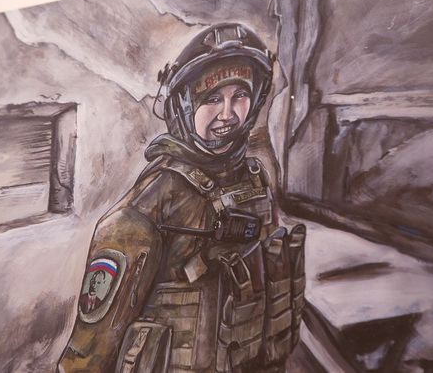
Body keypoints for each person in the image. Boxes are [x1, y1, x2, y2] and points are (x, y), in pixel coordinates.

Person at [58, 23, 306, 373]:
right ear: (184, 106)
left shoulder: (254, 178)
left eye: (239, 95)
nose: (228, 114)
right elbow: (87, 357)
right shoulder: (148, 206)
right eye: (213, 98)